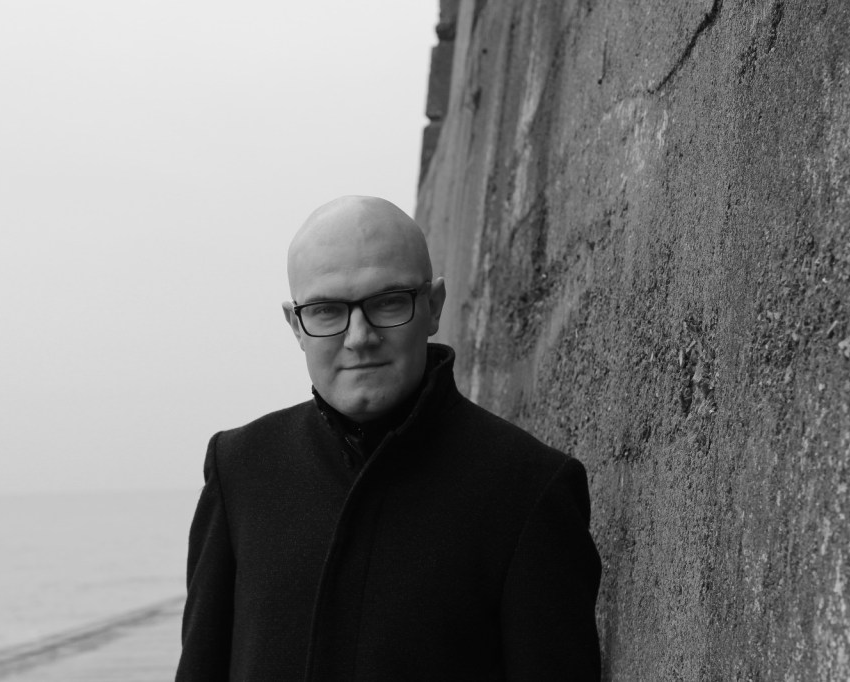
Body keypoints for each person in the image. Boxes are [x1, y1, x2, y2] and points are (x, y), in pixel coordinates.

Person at [176, 196, 601, 681]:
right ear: (296, 325)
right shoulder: (240, 468)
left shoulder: (529, 489)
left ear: (433, 306)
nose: (358, 336)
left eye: (387, 302)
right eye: (326, 310)